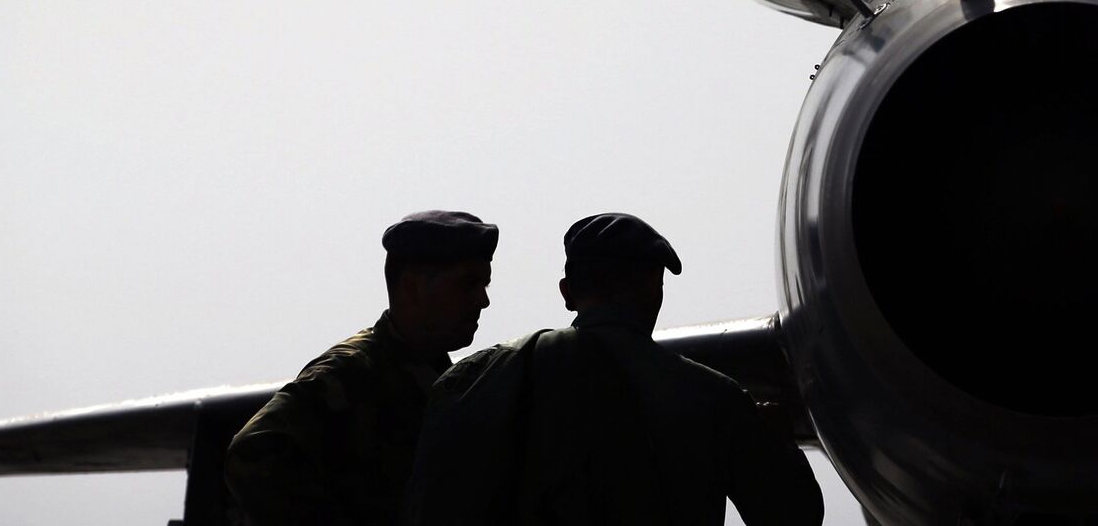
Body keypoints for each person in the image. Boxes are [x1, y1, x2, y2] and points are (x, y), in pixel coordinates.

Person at [406, 212, 823, 526]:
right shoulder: (713, 397)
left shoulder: (475, 380)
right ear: (653, 288)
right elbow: (793, 516)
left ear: (568, 293)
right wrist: (780, 440)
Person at [226, 210, 496, 526]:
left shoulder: (443, 382)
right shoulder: (350, 374)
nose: (483, 300)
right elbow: (252, 451)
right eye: (468, 284)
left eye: (484, 284)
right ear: (412, 287)